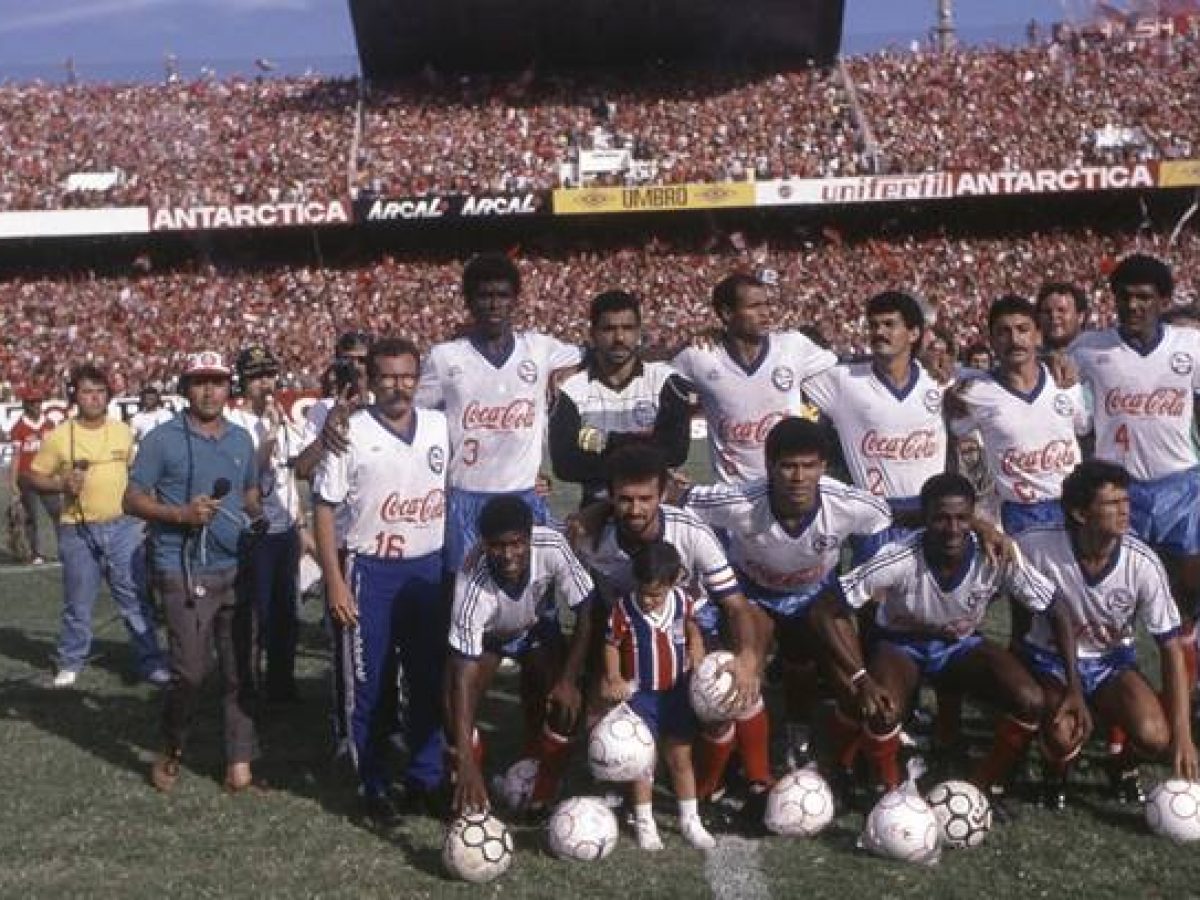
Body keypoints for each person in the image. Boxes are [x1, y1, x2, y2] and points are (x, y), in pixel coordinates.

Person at [811, 473, 1087, 802]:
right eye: (941, 519)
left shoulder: (995, 554)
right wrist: (861, 677)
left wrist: (1074, 687)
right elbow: (824, 609)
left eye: (962, 518)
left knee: (1031, 699)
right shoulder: (897, 556)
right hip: (902, 646)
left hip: (960, 647)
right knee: (884, 709)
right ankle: (887, 792)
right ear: (924, 518)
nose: (953, 529)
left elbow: (1056, 608)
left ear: (974, 517)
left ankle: (985, 786)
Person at [680, 418, 892, 771]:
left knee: (850, 685)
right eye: (788, 466)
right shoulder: (740, 499)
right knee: (742, 676)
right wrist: (598, 511)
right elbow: (676, 498)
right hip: (754, 596)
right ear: (769, 466)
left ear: (823, 467)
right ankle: (750, 771)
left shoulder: (849, 504)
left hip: (816, 597)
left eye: (809, 466)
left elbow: (881, 517)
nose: (799, 477)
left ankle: (833, 759)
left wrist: (864, 573)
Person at [573, 443, 769, 817]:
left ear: (663, 494)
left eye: (645, 498)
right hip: (625, 638)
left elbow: (736, 605)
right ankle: (614, 778)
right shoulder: (590, 537)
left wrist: (747, 658)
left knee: (727, 689)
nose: (635, 509)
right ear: (610, 496)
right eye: (625, 499)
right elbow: (580, 599)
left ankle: (724, 778)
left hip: (690, 634)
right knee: (600, 705)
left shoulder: (690, 532)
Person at [312, 336, 450, 821]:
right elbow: (324, 509)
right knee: (369, 685)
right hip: (371, 571)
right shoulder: (347, 432)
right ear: (370, 381)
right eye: (387, 376)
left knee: (430, 681)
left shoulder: (438, 425)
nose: (398, 386)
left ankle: (426, 779)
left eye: (407, 375)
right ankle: (371, 784)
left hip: (428, 569)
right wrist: (334, 580)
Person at [1017, 461, 1199, 807]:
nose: (1125, 509)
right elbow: (991, 553)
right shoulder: (1036, 546)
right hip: (1050, 660)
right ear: (1081, 513)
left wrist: (1184, 736)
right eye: (1112, 503)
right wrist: (986, 529)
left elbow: (1171, 648)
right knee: (1062, 735)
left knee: (1156, 738)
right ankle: (1054, 771)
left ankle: (1121, 766)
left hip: (1111, 664)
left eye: (1126, 501)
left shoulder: (1142, 562)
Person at [124, 351, 263, 794]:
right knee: (191, 672)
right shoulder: (162, 439)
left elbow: (250, 490)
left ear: (229, 388)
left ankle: (239, 758)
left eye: (218, 382)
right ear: (185, 388)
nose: (209, 391)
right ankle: (171, 745)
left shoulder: (242, 439)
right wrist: (181, 514)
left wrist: (259, 516)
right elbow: (131, 499)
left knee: (242, 668)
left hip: (236, 567)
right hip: (180, 567)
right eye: (200, 382)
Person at [1068, 254, 1200, 694]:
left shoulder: (1190, 346)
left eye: (1144, 297)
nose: (1133, 305)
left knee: (1188, 598)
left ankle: (1184, 698)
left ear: (1164, 300)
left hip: (1180, 484)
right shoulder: (1088, 348)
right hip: (1116, 490)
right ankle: (1120, 718)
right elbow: (1050, 380)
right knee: (1113, 600)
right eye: (1124, 297)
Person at [416, 253, 582, 571]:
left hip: (524, 495)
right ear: (469, 301)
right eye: (484, 296)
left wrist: (558, 375)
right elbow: (416, 418)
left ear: (515, 300)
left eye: (502, 295)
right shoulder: (444, 357)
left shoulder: (540, 348)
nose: (494, 304)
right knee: (467, 595)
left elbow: (592, 354)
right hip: (467, 497)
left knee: (533, 594)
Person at [446, 495, 597, 814]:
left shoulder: (553, 546)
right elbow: (463, 673)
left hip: (535, 628)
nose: (508, 555)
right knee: (453, 703)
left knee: (565, 702)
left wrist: (568, 680)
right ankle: (471, 785)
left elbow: (586, 611)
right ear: (483, 544)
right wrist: (465, 758)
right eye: (497, 546)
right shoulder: (470, 585)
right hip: (491, 636)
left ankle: (544, 789)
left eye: (516, 544)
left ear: (529, 536)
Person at [23, 365, 167, 688]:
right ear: (75, 395)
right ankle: (71, 661)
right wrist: (61, 483)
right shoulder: (60, 435)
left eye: (101, 392)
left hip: (124, 527)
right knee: (78, 601)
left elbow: (138, 475)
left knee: (134, 598)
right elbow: (34, 475)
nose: (95, 398)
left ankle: (151, 662)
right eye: (88, 391)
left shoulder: (122, 432)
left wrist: (146, 515)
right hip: (77, 530)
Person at [601, 540, 715, 851]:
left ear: (674, 581)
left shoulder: (681, 601)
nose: (650, 600)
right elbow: (611, 643)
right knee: (643, 762)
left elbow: (692, 626)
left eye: (657, 594)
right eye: (645, 592)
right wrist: (614, 677)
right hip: (641, 697)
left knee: (680, 757)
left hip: (676, 692)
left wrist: (696, 645)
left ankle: (690, 819)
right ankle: (645, 821)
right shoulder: (624, 608)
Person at [670, 272, 837, 484]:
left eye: (767, 304)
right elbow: (659, 392)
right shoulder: (698, 357)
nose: (766, 313)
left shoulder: (793, 346)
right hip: (735, 497)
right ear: (727, 313)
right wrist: (666, 465)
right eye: (754, 306)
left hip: (789, 490)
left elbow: (843, 382)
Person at [949, 295, 1091, 536]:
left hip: (1073, 506)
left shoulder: (1065, 380)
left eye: (1022, 330)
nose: (1014, 340)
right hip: (1019, 513)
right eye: (1004, 332)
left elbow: (1084, 430)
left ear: (1037, 334)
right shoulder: (972, 392)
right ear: (992, 340)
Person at [549, 290, 693, 506]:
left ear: (639, 333)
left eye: (627, 328)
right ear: (592, 334)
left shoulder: (664, 381)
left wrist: (606, 442)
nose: (619, 338)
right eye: (609, 329)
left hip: (656, 509)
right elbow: (566, 465)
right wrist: (644, 445)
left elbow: (675, 451)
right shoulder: (571, 389)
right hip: (595, 512)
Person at [227, 346, 305, 703]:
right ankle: (248, 682)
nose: (265, 384)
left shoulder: (284, 419)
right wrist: (271, 433)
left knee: (286, 611)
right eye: (257, 377)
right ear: (243, 383)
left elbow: (292, 471)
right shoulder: (236, 422)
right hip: (253, 530)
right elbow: (246, 474)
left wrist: (299, 515)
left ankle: (282, 682)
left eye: (269, 375)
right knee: (253, 613)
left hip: (285, 529)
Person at [7, 384, 61, 563]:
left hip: (46, 476)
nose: (37, 405)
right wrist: (13, 481)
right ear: (26, 405)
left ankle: (64, 548)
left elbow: (56, 451)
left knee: (57, 513)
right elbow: (16, 456)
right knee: (31, 516)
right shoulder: (19, 427)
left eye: (39, 401)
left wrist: (59, 472)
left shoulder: (49, 424)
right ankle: (35, 552)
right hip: (26, 477)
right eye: (33, 402)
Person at [1035, 281, 1088, 352]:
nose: (1053, 315)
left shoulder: (1099, 355)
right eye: (1047, 311)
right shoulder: (1027, 359)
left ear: (1080, 317)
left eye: (1061, 310)